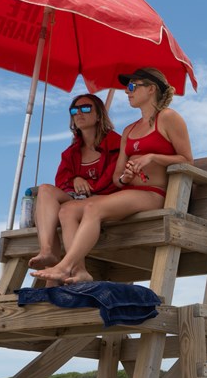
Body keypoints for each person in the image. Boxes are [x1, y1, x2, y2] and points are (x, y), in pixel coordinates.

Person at [33, 68, 193, 284]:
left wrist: (153, 157)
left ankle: (65, 266)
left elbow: (186, 159)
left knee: (92, 208)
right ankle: (79, 271)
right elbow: (117, 177)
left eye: (132, 86)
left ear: (151, 88)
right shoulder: (129, 130)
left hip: (154, 193)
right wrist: (126, 177)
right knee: (68, 210)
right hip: (128, 193)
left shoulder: (168, 118)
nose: (127, 92)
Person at [28, 93, 122, 271]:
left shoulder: (116, 143)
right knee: (45, 189)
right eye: (74, 110)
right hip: (76, 200)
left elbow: (114, 176)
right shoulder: (71, 152)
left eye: (86, 108)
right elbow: (61, 180)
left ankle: (74, 270)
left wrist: (90, 188)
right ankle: (48, 250)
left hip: (105, 201)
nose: (78, 113)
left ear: (99, 115)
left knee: (64, 210)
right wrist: (75, 179)